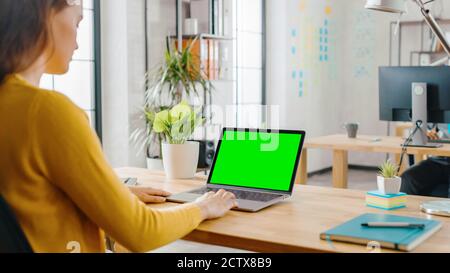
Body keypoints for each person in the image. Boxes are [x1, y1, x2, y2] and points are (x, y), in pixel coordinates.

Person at [0, 0, 237, 253]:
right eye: (77, 22)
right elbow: (141, 231)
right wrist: (203, 206)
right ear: (45, 16)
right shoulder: (46, 112)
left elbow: (31, 199)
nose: (78, 42)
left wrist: (114, 195)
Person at [400, 127, 450, 198]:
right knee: (408, 178)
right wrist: (425, 133)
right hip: (439, 159)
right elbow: (424, 127)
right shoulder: (436, 118)